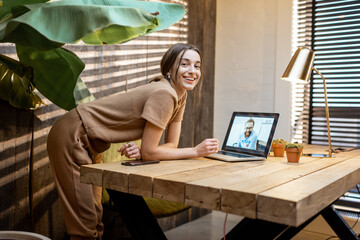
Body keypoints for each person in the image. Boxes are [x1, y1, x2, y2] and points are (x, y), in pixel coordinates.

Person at [46, 43, 219, 240]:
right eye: (185, 64)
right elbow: (151, 152)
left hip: (91, 144)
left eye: (197, 66)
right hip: (72, 135)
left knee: (95, 218)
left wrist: (145, 150)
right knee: (85, 226)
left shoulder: (180, 95)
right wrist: (195, 151)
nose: (192, 71)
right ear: (170, 69)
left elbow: (169, 145)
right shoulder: (165, 94)